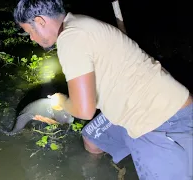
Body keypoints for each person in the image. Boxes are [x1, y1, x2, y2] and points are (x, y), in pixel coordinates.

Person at [13, 0, 193, 179]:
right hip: (146, 102)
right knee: (92, 139)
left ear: (40, 22)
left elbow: (84, 111)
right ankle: (94, 174)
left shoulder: (70, 38)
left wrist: (61, 102)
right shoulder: (79, 23)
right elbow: (91, 95)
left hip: (161, 119)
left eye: (29, 31)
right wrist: (61, 111)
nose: (31, 38)